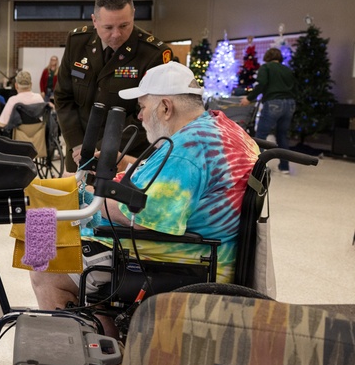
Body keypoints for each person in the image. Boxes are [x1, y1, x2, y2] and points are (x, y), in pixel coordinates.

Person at [30, 63, 259, 311]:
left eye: (142, 107)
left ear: (165, 107)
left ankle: (94, 344)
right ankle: (100, 332)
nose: (139, 116)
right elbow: (166, 181)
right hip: (198, 249)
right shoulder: (218, 128)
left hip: (176, 258)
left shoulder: (186, 152)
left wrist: (82, 196)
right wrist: (124, 163)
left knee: (42, 260)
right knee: (44, 227)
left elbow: (142, 217)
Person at [55, 0, 172, 172]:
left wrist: (103, 149)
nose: (116, 34)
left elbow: (152, 113)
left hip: (125, 157)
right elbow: (63, 98)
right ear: (95, 20)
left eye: (124, 26)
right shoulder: (77, 41)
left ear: (133, 15)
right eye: (108, 28)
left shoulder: (153, 54)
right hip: (79, 155)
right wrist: (78, 144)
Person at [242, 47, 296, 173]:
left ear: (267, 57)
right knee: (282, 135)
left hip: (273, 103)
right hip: (290, 104)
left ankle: (257, 169)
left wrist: (249, 98)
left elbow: (261, 84)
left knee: (261, 135)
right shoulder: (287, 70)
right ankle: (284, 167)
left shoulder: (266, 68)